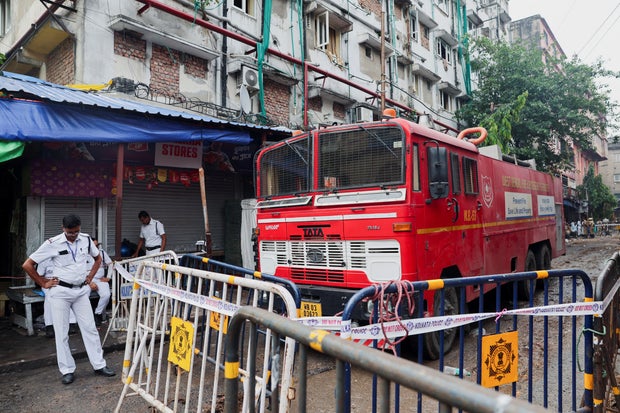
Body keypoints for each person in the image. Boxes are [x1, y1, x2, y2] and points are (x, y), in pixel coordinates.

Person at [22, 214, 115, 385]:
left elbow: (98, 259)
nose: (74, 235)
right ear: (63, 228)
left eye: (76, 232)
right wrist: (43, 282)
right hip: (60, 292)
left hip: (80, 291)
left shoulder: (86, 239)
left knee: (90, 329)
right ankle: (67, 370)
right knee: (62, 332)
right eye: (70, 232)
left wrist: (90, 277)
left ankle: (99, 365)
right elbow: (27, 264)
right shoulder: (52, 243)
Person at [38, 258, 78, 338]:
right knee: (50, 298)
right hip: (48, 284)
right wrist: (50, 281)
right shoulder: (43, 260)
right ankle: (50, 326)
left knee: (65, 297)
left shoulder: (64, 258)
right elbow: (39, 277)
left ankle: (72, 323)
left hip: (62, 283)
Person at [89, 237, 113, 326]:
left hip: (100, 279)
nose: (96, 247)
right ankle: (88, 318)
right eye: (94, 246)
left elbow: (110, 264)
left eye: (97, 246)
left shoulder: (101, 252)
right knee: (83, 296)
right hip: (87, 280)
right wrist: (89, 282)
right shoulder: (83, 253)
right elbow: (79, 270)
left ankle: (97, 314)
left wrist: (108, 277)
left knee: (106, 295)